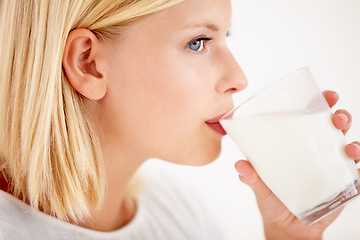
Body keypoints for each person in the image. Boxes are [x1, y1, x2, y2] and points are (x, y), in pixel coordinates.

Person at [0, 0, 359, 239]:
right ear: (88, 64)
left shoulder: (174, 211)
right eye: (198, 42)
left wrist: (287, 237)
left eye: (224, 37)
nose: (238, 78)